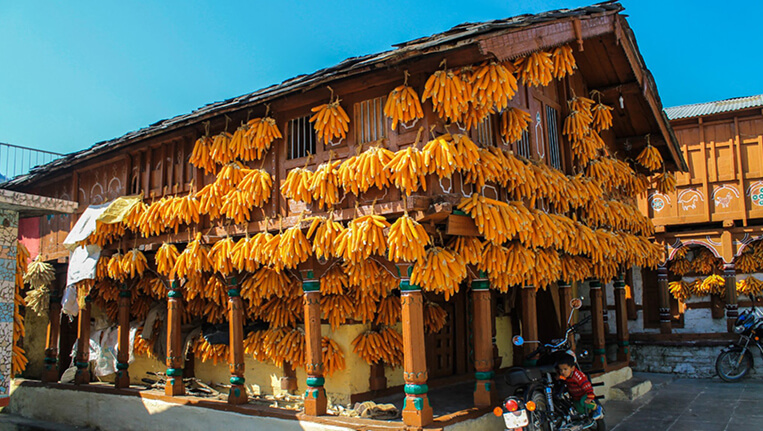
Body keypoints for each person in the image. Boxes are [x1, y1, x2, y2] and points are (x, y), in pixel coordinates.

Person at [556, 354, 603, 420]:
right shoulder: (566, 375)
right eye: (561, 370)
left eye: (565, 369)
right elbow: (562, 377)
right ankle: (588, 414)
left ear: (572, 368)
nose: (562, 372)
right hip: (576, 396)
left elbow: (588, 387)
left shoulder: (578, 377)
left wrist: (590, 397)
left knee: (583, 402)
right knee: (578, 407)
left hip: (584, 395)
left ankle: (596, 408)